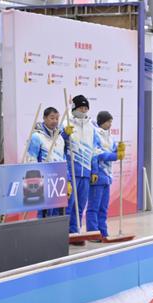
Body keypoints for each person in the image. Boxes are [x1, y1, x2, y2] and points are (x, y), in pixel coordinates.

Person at [62, 94, 100, 233]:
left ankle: (75, 230)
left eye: (85, 108)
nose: (83, 110)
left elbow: (95, 150)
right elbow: (58, 146)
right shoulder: (66, 123)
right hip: (72, 171)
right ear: (74, 108)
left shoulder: (92, 127)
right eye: (81, 107)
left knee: (81, 205)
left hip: (86, 171)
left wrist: (94, 170)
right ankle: (63, 232)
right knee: (69, 204)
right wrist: (64, 135)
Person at [86, 110, 123, 240]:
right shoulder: (95, 134)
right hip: (97, 174)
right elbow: (97, 154)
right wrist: (114, 156)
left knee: (103, 208)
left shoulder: (109, 136)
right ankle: (92, 233)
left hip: (107, 176)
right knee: (94, 207)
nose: (110, 124)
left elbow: (113, 152)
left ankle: (103, 232)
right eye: (108, 121)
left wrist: (119, 151)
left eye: (111, 122)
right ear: (102, 121)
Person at [27, 106, 65, 217]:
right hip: (44, 180)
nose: (55, 121)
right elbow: (31, 159)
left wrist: (67, 180)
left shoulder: (60, 138)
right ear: (44, 118)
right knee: (44, 214)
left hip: (58, 181)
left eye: (57, 118)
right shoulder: (36, 137)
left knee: (57, 215)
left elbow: (63, 160)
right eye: (52, 118)